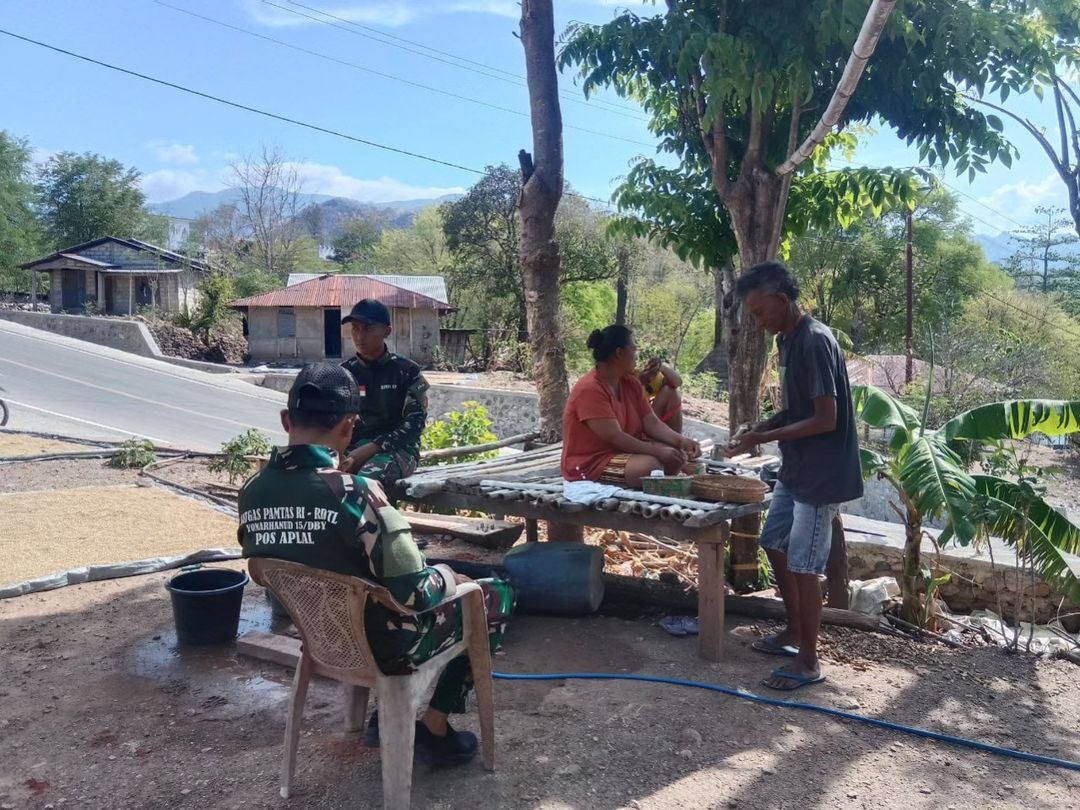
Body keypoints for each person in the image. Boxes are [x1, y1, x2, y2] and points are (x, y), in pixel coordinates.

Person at [238, 363, 514, 766]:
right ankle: (435, 726)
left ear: (286, 420)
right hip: (385, 647)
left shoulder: (252, 492)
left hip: (320, 638)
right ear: (349, 427)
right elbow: (415, 594)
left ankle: (377, 720)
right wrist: (448, 576)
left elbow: (264, 566)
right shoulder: (356, 493)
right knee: (494, 594)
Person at [724, 261, 862, 692]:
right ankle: (795, 632)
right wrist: (762, 427)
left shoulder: (815, 341)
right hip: (797, 466)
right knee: (774, 542)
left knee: (804, 564)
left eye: (760, 312)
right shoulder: (786, 341)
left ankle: (809, 661)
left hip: (822, 474)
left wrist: (765, 437)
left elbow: (825, 418)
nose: (758, 322)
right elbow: (798, 411)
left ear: (782, 301)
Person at [562, 325, 701, 487]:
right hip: (591, 462)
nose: (636, 355)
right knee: (651, 467)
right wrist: (659, 451)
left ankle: (662, 476)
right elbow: (615, 437)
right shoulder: (589, 389)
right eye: (633, 349)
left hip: (622, 452)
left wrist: (682, 442)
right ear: (619, 353)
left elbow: (651, 422)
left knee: (676, 456)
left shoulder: (630, 382)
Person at [338, 299, 429, 491]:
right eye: (355, 328)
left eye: (368, 329)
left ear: (387, 331)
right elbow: (332, 422)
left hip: (398, 450)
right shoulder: (343, 374)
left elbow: (415, 423)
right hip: (352, 449)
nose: (359, 336)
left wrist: (373, 447)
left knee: (365, 482)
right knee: (319, 479)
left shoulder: (406, 371)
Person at [639, 356, 684, 433]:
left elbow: (677, 382)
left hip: (647, 417)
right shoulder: (628, 375)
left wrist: (660, 367)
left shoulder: (650, 376)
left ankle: (676, 437)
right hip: (634, 419)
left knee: (671, 391)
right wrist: (640, 381)